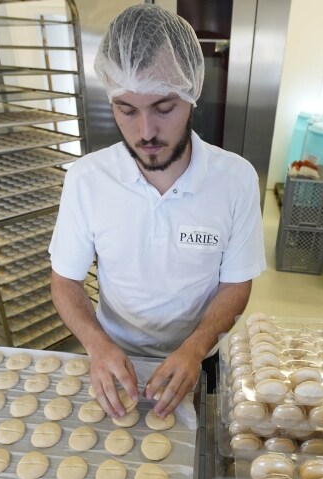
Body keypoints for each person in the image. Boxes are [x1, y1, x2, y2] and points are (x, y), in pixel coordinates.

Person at [48, 4, 266, 420]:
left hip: (200, 355)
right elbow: (66, 281)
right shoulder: (86, 178)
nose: (145, 131)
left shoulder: (235, 180)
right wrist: (97, 345)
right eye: (126, 110)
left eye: (164, 108)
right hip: (113, 356)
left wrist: (195, 349)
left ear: (191, 97)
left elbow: (236, 284)